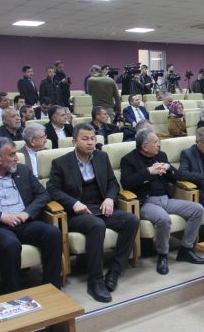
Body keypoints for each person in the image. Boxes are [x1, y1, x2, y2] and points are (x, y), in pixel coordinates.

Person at [47, 124, 139, 302]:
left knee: (131, 220)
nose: (90, 143)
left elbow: (113, 183)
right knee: (97, 225)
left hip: (101, 207)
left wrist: (110, 198)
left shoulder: (101, 157)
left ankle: (114, 271)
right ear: (74, 142)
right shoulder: (61, 163)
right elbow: (52, 190)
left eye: (93, 139)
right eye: (85, 139)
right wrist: (74, 203)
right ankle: (95, 280)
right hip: (78, 213)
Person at [0, 137, 63, 293]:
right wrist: (0, 216)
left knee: (53, 233)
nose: (17, 158)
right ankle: (12, 292)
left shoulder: (23, 170)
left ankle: (52, 287)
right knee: (11, 244)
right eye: (12, 154)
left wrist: (26, 213)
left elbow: (43, 195)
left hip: (24, 222)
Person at [120, 129, 204, 275]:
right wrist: (148, 172)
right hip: (146, 202)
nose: (159, 144)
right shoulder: (128, 160)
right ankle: (163, 255)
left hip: (166, 199)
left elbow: (177, 177)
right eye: (156, 142)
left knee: (197, 209)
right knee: (163, 219)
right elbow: (126, 183)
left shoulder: (161, 155)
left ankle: (186, 249)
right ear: (145, 146)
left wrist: (169, 168)